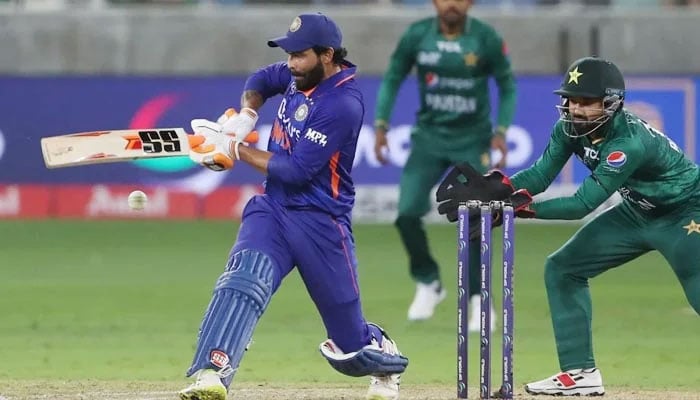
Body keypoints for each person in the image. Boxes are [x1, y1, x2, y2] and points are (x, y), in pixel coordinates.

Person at [436, 56, 700, 396]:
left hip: (686, 214)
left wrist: (520, 210)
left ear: (612, 103)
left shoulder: (628, 144)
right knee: (563, 268)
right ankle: (580, 374)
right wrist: (501, 188)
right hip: (638, 211)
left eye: (586, 102)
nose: (576, 109)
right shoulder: (568, 129)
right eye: (571, 100)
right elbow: (540, 176)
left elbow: (581, 204)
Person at [178, 13, 408, 400]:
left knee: (349, 347)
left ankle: (385, 356)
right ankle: (211, 374)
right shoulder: (299, 73)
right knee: (242, 281)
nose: (291, 64)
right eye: (289, 54)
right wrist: (247, 116)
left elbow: (297, 169)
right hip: (274, 209)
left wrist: (233, 147)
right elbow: (260, 81)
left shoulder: (343, 104)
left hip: (322, 222)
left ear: (327, 55)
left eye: (299, 56)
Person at [373, 0, 516, 325]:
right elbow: (393, 76)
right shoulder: (418, 35)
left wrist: (502, 130)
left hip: (472, 140)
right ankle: (428, 281)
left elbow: (507, 86)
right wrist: (381, 123)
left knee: (475, 218)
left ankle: (479, 298)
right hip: (428, 139)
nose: (451, 3)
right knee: (406, 213)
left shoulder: (486, 38)